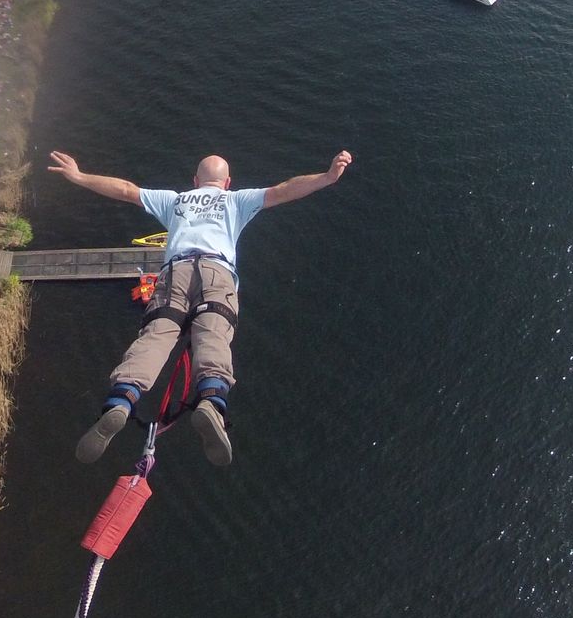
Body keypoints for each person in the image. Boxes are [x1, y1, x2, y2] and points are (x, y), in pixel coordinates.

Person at [48, 148, 352, 467]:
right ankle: (211, 400)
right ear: (227, 182)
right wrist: (328, 176)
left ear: (195, 181)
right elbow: (285, 189)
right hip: (216, 272)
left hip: (175, 273)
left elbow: (125, 189)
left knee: (155, 336)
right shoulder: (237, 201)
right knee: (213, 335)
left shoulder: (175, 200)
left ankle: (120, 400)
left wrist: (79, 176)